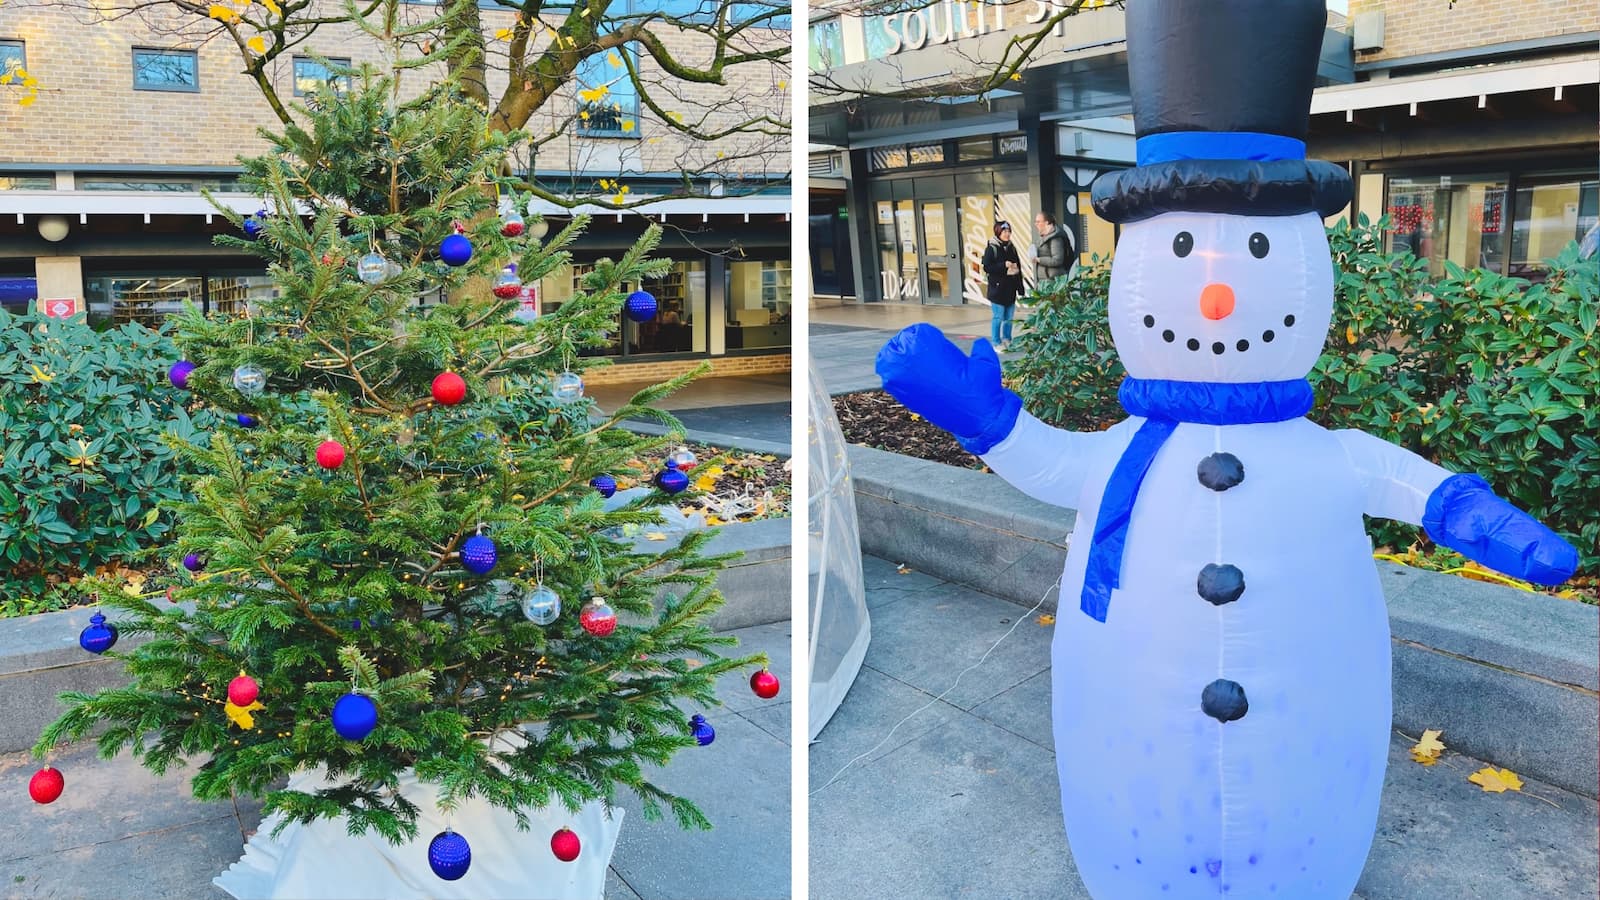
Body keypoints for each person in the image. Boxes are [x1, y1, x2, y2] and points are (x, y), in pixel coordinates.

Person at [981, 221, 1023, 348]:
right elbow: (987, 267)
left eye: (1009, 231)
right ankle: (996, 342)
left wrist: (1020, 287)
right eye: (1004, 231)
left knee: (1009, 318)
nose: (1007, 234)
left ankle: (1007, 339)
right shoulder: (992, 248)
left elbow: (1018, 268)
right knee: (998, 317)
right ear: (998, 232)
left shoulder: (1012, 247)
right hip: (997, 289)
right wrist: (1003, 265)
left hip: (1010, 288)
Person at [1033, 211, 1077, 283]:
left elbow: (1057, 260)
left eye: (1038, 222)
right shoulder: (1043, 237)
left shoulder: (1055, 238)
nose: (1036, 224)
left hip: (1054, 282)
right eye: (1035, 222)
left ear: (1046, 223)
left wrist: (1039, 260)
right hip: (1045, 280)